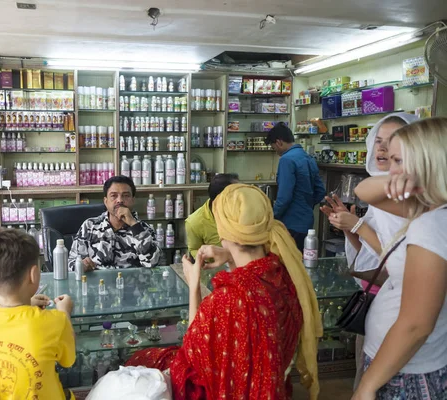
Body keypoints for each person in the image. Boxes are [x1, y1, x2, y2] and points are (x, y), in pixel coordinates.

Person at [126, 184, 322, 399]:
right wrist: (229, 255)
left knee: (143, 360)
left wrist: (194, 285)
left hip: (230, 388)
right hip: (273, 380)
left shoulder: (230, 298)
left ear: (223, 229)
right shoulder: (284, 272)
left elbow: (194, 352)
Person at [352, 117, 447, 400]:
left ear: (425, 161)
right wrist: (414, 182)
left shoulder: (431, 225)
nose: (390, 170)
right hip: (405, 363)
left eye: (397, 160)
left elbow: (416, 324)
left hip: (406, 370)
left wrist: (368, 385)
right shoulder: (429, 208)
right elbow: (363, 190)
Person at [320, 113, 416, 389]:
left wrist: (359, 225)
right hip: (374, 300)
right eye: (379, 141)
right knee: (364, 370)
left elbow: (397, 261)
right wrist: (348, 227)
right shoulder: (381, 193)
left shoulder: (408, 197)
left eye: (394, 142)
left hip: (397, 311)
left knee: (374, 382)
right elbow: (370, 254)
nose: (384, 149)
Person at [0, 225, 76, 400]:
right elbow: (68, 360)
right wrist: (65, 312)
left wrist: (26, 304)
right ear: (33, 275)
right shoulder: (56, 321)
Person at [69, 175, 161, 271]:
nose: (120, 200)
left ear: (133, 200)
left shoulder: (144, 229)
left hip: (132, 284)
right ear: (106, 201)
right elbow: (71, 263)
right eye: (114, 196)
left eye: (126, 196)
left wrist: (134, 224)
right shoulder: (89, 226)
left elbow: (152, 263)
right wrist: (81, 265)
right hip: (97, 284)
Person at [265, 122, 326, 251]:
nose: (275, 151)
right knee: (303, 261)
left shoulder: (286, 160)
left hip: (290, 223)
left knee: (289, 264)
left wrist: (272, 217)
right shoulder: (308, 157)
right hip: (307, 222)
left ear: (279, 142)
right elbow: (320, 191)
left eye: (274, 147)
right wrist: (305, 205)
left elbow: (284, 197)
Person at [185, 173, 238, 257]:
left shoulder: (245, 212)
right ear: (220, 199)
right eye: (236, 195)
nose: (241, 199)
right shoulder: (194, 222)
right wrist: (208, 255)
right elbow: (194, 249)